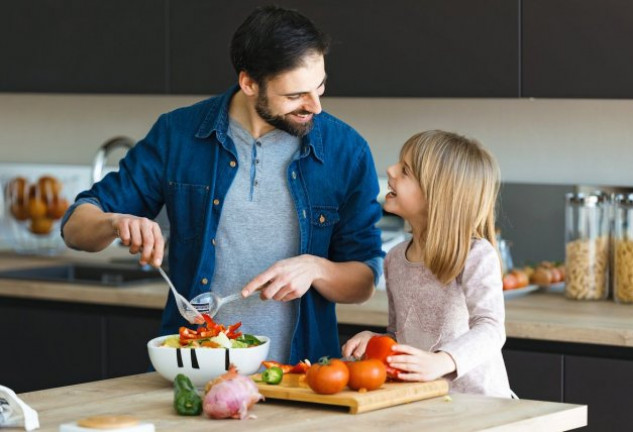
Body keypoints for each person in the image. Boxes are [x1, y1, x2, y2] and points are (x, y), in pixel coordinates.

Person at [61, 6, 384, 364]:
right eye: (295, 95)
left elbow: (363, 281)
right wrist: (114, 222)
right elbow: (76, 226)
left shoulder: (346, 151)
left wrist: (316, 268)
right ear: (249, 83)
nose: (316, 106)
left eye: (320, 86)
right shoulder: (179, 134)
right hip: (194, 369)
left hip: (302, 376)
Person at [342, 130, 512, 398]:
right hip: (428, 404)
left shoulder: (476, 255)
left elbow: (491, 329)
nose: (390, 170)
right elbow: (403, 336)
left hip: (481, 406)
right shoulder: (395, 259)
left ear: (438, 195)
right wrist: (378, 342)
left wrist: (442, 361)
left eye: (405, 170)